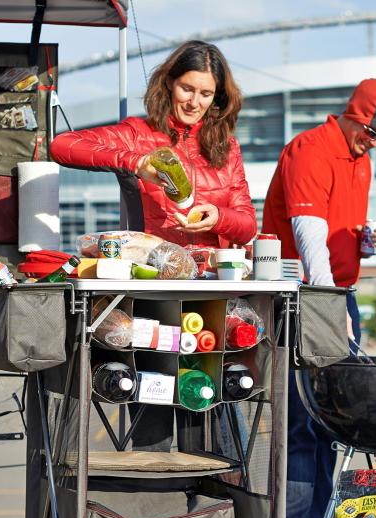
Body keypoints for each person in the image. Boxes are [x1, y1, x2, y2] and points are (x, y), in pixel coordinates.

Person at [51, 40, 257, 450]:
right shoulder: (138, 133)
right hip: (150, 294)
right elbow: (62, 145)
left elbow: (248, 224)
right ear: (169, 84)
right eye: (187, 89)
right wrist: (136, 163)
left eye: (206, 93)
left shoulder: (225, 145)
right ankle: (152, 507)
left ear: (218, 97)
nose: (195, 101)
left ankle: (207, 507)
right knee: (153, 413)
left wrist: (218, 217)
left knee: (208, 415)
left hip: (210, 294)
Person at [261, 79, 376, 518]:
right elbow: (307, 235)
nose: (375, 142)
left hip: (339, 293)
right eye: (371, 131)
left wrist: (363, 242)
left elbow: (336, 236)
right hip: (305, 297)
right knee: (303, 423)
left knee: (330, 423)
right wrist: (327, 304)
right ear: (353, 113)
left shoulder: (360, 160)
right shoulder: (311, 149)